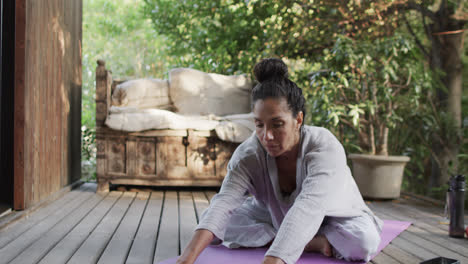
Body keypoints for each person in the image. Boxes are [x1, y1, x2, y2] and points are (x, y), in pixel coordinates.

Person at [176, 58, 383, 264]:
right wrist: (185, 260)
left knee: (363, 241)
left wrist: (273, 260)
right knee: (214, 220)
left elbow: (309, 206)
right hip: (276, 218)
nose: (267, 136)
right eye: (259, 125)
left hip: (334, 219)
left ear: (298, 120)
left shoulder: (323, 146)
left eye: (277, 124)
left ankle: (296, 239)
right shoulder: (248, 154)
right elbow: (224, 202)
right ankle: (310, 242)